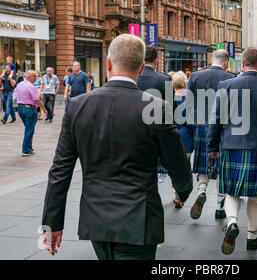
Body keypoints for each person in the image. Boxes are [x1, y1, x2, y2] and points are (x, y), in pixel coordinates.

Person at [41, 34, 193, 260]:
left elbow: (59, 171)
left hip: (96, 218)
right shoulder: (156, 108)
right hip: (140, 218)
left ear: (109, 64)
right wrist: (183, 191)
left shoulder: (77, 106)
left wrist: (51, 224)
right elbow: (178, 165)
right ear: (141, 68)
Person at [208, 48, 257, 254]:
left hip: (230, 144)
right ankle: (252, 237)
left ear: (242, 64)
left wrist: (212, 145)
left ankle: (233, 222)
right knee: (256, 195)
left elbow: (216, 119)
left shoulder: (226, 85)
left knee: (232, 190)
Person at [186, 49, 235, 221]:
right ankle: (219, 206)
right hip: (223, 128)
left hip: (201, 125)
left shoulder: (195, 76)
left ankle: (201, 190)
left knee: (204, 162)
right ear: (226, 62)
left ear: (211, 59)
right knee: (222, 166)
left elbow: (188, 103)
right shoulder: (231, 78)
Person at [137, 46, 173, 183]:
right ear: (157, 60)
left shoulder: (134, 77)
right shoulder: (165, 79)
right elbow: (170, 108)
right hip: (156, 127)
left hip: (134, 126)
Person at [171, 71, 194, 208]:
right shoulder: (189, 99)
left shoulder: (167, 98)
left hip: (171, 137)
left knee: (173, 167)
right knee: (185, 167)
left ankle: (176, 193)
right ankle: (181, 195)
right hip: (185, 138)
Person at [13, 70, 47, 156]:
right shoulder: (31, 87)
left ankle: (29, 148)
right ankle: (25, 150)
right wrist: (44, 109)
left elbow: (14, 95)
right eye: (34, 76)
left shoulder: (20, 84)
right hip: (29, 109)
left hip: (20, 108)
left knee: (29, 128)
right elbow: (37, 100)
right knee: (29, 130)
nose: (36, 78)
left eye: (36, 76)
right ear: (28, 77)